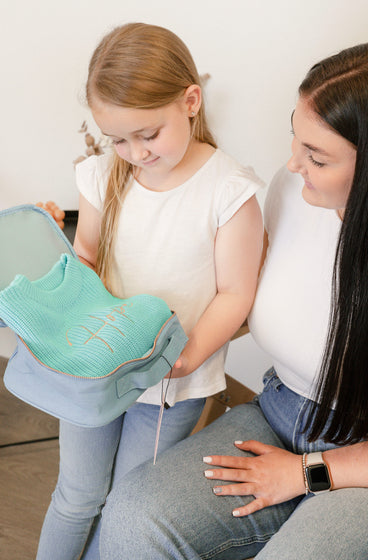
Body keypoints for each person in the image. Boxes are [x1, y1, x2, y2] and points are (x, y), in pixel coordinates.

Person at [97, 42, 368, 560]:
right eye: (296, 135)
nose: (291, 164)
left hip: (358, 460)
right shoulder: (293, 193)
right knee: (134, 517)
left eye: (317, 156)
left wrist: (307, 473)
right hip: (280, 411)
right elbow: (244, 297)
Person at [36, 22, 264, 559]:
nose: (134, 152)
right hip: (97, 371)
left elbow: (236, 292)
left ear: (190, 101)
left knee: (126, 507)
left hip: (169, 385)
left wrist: (185, 358)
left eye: (148, 134)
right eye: (119, 138)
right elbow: (88, 256)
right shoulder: (101, 175)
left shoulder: (229, 192)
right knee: (77, 497)